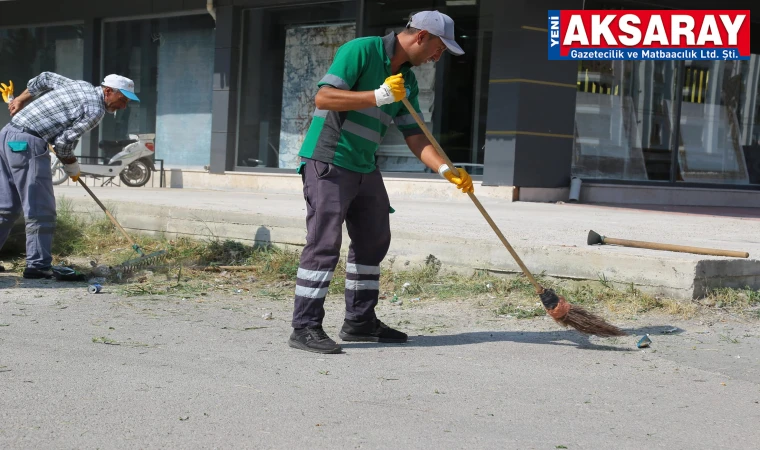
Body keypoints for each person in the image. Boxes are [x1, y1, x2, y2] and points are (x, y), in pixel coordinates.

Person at [289, 10, 473, 354]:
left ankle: (359, 322)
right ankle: (305, 326)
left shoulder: (408, 81)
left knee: (374, 238)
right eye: (439, 48)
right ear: (421, 37)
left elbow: (415, 135)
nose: (438, 56)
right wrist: (377, 96)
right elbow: (324, 98)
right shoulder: (361, 50)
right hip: (328, 159)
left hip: (363, 164)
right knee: (324, 243)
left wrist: (446, 170)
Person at [0, 73, 139, 278]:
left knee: (6, 207)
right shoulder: (95, 110)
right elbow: (63, 144)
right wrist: (72, 166)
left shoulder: (79, 85)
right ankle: (38, 266)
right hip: (27, 145)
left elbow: (45, 78)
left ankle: (36, 263)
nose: (123, 106)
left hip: (6, 136)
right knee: (40, 209)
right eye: (123, 99)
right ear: (108, 91)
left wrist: (21, 98)